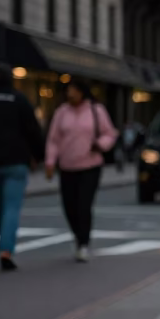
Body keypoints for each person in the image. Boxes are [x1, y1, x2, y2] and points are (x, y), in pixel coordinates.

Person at [44, 78, 119, 262]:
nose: (71, 94)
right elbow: (53, 139)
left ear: (82, 92)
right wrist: (50, 161)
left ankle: (83, 243)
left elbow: (110, 133)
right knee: (69, 206)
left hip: (90, 165)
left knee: (83, 205)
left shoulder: (96, 110)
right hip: (67, 166)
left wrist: (100, 144)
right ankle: (78, 235)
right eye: (68, 91)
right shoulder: (61, 112)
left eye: (74, 91)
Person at [0, 63, 45, 271]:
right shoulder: (19, 99)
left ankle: (3, 244)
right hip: (16, 161)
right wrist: (38, 156)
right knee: (12, 207)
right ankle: (7, 249)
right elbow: (33, 129)